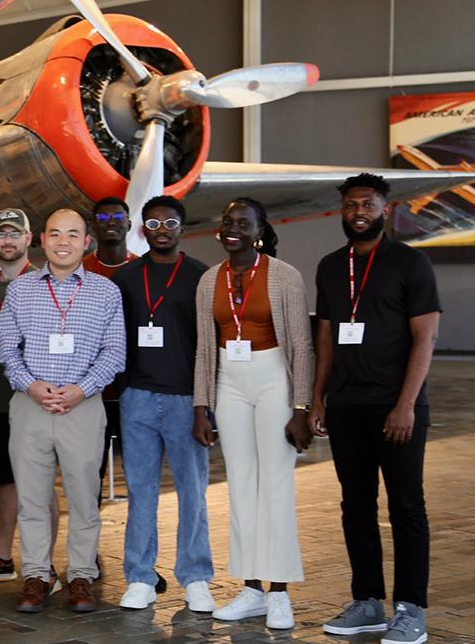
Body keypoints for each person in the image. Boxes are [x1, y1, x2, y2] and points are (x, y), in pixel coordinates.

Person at [307, 174, 439, 644]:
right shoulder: (329, 266)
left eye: (367, 203)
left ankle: (411, 608)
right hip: (346, 406)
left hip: (395, 407)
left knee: (406, 506)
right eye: (350, 205)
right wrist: (317, 397)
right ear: (341, 212)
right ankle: (367, 602)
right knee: (355, 505)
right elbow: (324, 336)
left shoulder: (410, 263)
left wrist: (406, 405)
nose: (358, 211)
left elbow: (426, 337)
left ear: (386, 209)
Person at [191, 197, 313, 630]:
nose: (233, 229)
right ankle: (250, 590)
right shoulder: (210, 280)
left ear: (259, 231)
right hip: (229, 381)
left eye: (243, 223)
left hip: (272, 377)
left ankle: (279, 593)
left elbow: (302, 344)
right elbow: (206, 348)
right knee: (241, 486)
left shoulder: (284, 276)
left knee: (275, 484)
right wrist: (201, 407)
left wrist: (300, 407)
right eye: (228, 222)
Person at [0, 208, 125, 614]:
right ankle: (37, 575)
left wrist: (80, 390)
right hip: (30, 406)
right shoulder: (20, 289)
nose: (64, 241)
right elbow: (6, 348)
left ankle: (82, 575)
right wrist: (32, 385)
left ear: (86, 242)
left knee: (84, 498)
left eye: (73, 234)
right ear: (43, 240)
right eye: (56, 234)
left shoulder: (106, 291)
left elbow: (114, 352)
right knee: (32, 498)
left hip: (82, 407)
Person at [109, 196, 215, 612]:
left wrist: (205, 405)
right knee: (140, 491)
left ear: (182, 228)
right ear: (142, 229)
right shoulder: (127, 278)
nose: (162, 229)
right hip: (136, 398)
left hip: (186, 399)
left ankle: (195, 577)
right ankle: (140, 576)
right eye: (153, 223)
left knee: (193, 492)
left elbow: (210, 346)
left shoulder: (200, 277)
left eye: (170, 222)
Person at [0, 209, 61, 587]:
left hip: (32, 403)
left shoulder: (44, 284)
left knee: (39, 483)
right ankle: (2, 558)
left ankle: (45, 564)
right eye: (1, 234)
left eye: (14, 234)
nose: (8, 241)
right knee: (3, 481)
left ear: (29, 239)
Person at [81, 196, 139, 536]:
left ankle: (140, 558)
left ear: (129, 224)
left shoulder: (143, 268)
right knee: (88, 475)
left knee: (140, 478)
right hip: (90, 393)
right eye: (103, 216)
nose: (111, 221)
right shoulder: (80, 268)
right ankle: (88, 552)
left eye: (118, 215)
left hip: (134, 392)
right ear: (94, 226)